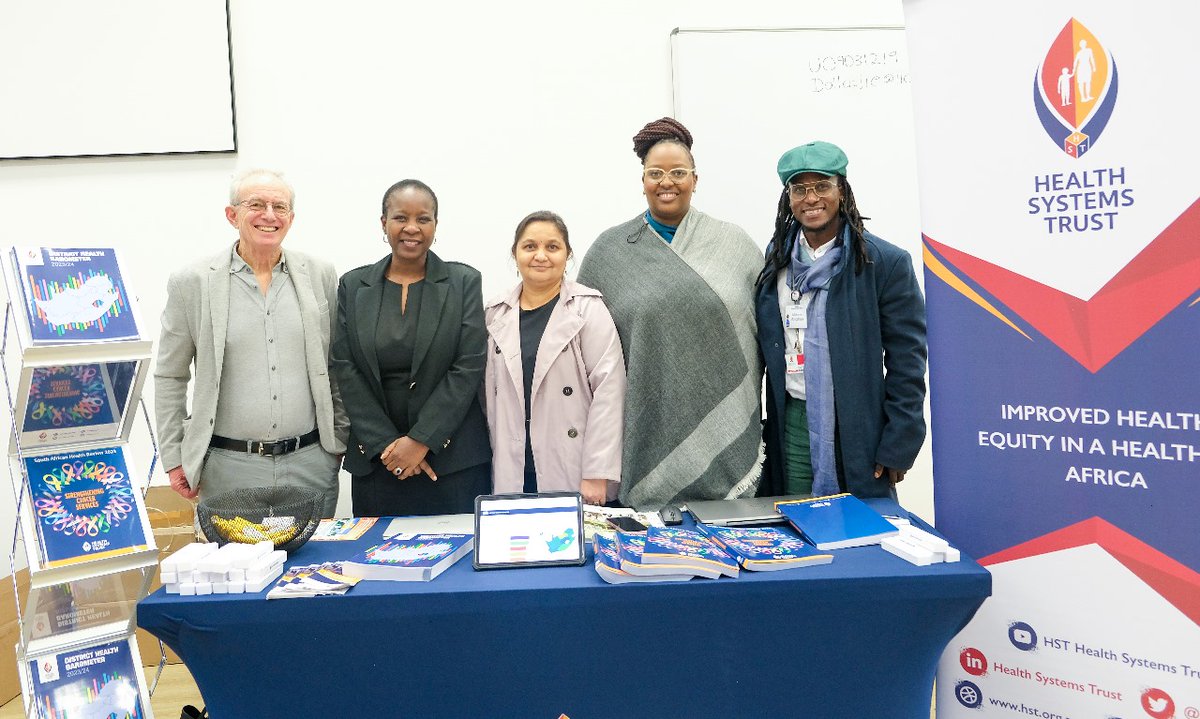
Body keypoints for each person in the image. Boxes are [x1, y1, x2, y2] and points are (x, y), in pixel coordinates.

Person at [577, 117, 763, 511]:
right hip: (643, 432)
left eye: (678, 172)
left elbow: (762, 331)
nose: (667, 182)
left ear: (695, 179)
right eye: (655, 173)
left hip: (729, 439)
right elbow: (587, 355)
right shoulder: (609, 252)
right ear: (642, 180)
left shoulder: (734, 244)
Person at [155, 168, 348, 517]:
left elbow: (337, 361)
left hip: (310, 465)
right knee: (239, 571)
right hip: (228, 469)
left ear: (291, 217)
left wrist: (336, 441)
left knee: (315, 570)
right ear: (232, 215)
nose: (269, 216)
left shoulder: (319, 274)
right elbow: (171, 375)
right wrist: (174, 456)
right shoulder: (192, 282)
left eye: (280, 206)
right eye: (256, 204)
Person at [755, 141, 927, 500]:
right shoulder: (777, 259)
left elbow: (907, 361)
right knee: (794, 527)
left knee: (859, 535)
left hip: (858, 425)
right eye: (799, 188)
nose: (811, 198)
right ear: (789, 197)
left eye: (822, 186)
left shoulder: (883, 263)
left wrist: (900, 439)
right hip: (791, 423)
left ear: (842, 190)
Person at [331, 179, 491, 516]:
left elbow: (468, 366)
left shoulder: (463, 282)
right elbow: (346, 368)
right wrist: (389, 447)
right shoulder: (353, 285)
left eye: (424, 218)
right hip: (378, 463)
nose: (412, 228)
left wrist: (420, 441)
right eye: (401, 217)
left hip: (450, 462)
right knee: (375, 563)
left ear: (436, 224)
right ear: (383, 223)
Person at [484, 211, 625, 506]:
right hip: (513, 464)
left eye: (552, 247)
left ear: (567, 254)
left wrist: (597, 471)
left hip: (571, 463)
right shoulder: (495, 312)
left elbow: (609, 391)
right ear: (515, 253)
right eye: (530, 246)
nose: (540, 256)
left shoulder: (587, 309)